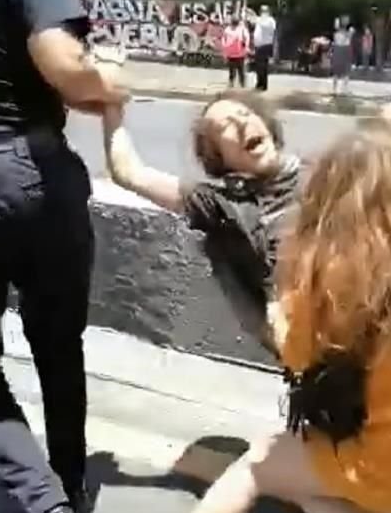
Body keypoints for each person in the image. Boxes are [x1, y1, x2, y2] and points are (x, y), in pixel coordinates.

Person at [133, 127, 391, 513]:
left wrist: (279, 318)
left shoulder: (332, 281)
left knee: (261, 462)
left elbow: (297, 357)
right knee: (300, 470)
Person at [0, 0, 129, 513]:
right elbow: (65, 65)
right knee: (58, 343)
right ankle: (67, 488)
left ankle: (49, 507)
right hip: (37, 173)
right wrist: (113, 82)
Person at [100, 74, 302, 349]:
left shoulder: (329, 173)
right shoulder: (222, 205)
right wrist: (109, 102)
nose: (242, 122)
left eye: (245, 113)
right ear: (218, 157)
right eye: (224, 128)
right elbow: (129, 173)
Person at [221, 15, 250, 88]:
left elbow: (223, 42)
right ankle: (243, 86)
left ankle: (231, 85)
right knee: (241, 72)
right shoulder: (242, 29)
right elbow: (247, 40)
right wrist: (246, 49)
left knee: (232, 72)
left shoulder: (227, 30)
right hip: (240, 54)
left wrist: (225, 53)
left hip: (230, 54)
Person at [252, 5, 276, 91]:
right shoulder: (259, 19)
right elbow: (252, 21)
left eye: (264, 11)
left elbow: (269, 29)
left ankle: (263, 84)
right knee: (259, 66)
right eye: (262, 11)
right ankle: (259, 83)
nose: (263, 13)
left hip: (265, 45)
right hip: (258, 45)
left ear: (268, 12)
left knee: (263, 66)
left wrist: (259, 20)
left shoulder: (270, 20)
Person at [331, 16, 354, 95]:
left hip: (342, 50)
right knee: (340, 71)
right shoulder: (339, 33)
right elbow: (344, 38)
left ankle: (341, 89)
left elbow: (348, 36)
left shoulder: (347, 31)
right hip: (341, 50)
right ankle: (337, 89)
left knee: (344, 71)